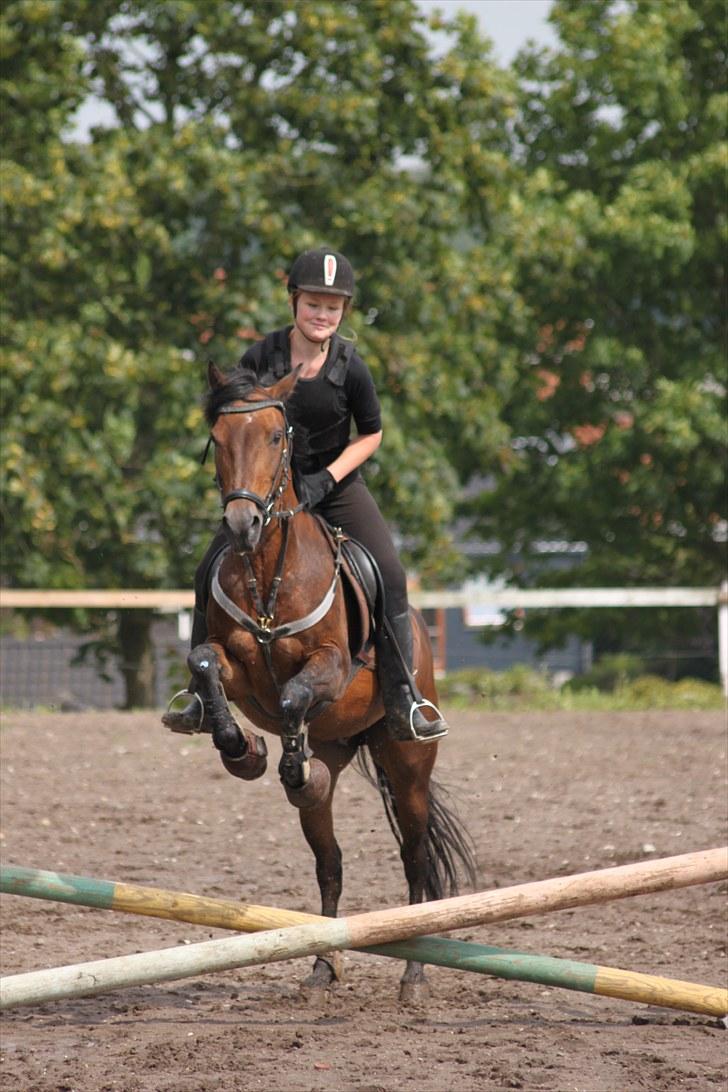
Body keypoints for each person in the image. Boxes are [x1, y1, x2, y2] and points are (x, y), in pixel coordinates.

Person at [164, 247, 447, 743]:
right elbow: (238, 419)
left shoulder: (351, 366)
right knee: (207, 568)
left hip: (335, 486)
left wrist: (327, 479)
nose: (322, 316)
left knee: (391, 572)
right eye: (314, 304)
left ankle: (404, 698)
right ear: (294, 302)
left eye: (333, 308)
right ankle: (199, 696)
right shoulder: (262, 357)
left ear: (344, 313)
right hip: (267, 490)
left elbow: (372, 434)